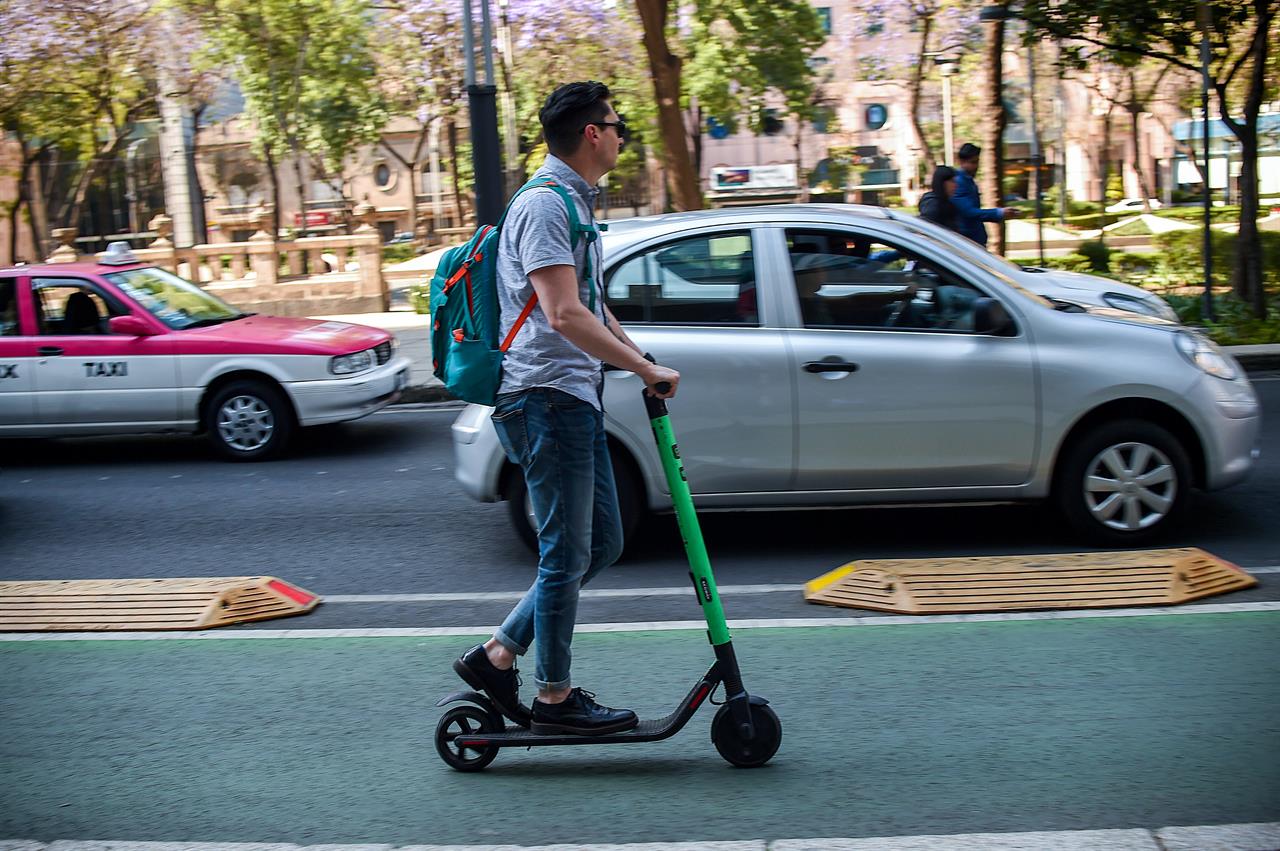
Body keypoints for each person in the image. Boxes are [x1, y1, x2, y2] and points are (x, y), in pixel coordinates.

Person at [453, 81, 680, 736]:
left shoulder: (572, 206)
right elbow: (561, 312)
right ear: (591, 134)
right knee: (563, 553)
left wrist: (643, 360)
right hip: (544, 398)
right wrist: (640, 368)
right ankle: (554, 699)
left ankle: (498, 654)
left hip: (571, 396)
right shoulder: (546, 206)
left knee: (601, 541)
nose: (620, 134)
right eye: (617, 125)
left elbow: (592, 309)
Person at [951, 143, 1017, 247]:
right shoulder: (959, 182)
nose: (976, 166)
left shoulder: (967, 180)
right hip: (968, 240)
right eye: (973, 162)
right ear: (961, 162)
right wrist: (999, 213)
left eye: (977, 162)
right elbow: (968, 212)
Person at [918, 165, 961, 233]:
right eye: (952, 181)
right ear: (942, 183)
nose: (955, 185)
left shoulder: (947, 203)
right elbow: (925, 229)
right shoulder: (932, 204)